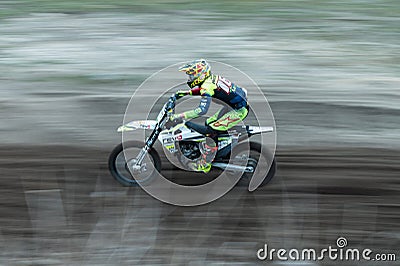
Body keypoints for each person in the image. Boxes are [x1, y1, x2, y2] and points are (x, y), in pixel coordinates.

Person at [170, 59, 249, 173]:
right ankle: (217, 147)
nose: (190, 78)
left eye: (192, 75)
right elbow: (205, 90)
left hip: (239, 110)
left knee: (211, 130)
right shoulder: (210, 80)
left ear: (200, 74)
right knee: (208, 123)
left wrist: (181, 116)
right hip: (232, 107)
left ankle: (205, 164)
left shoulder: (207, 86)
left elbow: (201, 110)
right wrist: (185, 93)